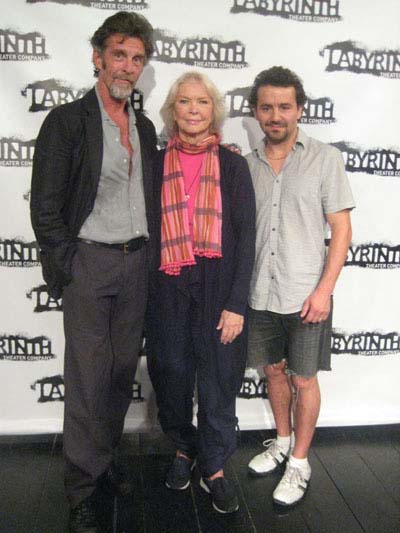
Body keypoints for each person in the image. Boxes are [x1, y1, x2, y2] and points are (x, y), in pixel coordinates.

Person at [30, 12, 157, 533]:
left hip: (139, 262)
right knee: (86, 378)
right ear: (98, 56)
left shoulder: (144, 127)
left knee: (120, 374)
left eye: (137, 58)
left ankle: (104, 462)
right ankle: (82, 487)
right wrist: (71, 261)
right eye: (119, 54)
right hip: (90, 262)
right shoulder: (66, 122)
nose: (127, 65)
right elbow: (46, 208)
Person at [146, 71, 255, 514]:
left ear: (215, 111)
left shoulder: (233, 165)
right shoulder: (154, 164)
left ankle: (213, 465)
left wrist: (236, 304)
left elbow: (247, 238)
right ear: (173, 111)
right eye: (185, 102)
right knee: (170, 373)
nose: (193, 110)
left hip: (217, 285)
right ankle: (183, 446)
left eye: (202, 102)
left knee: (218, 380)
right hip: (168, 285)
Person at [246, 66, 354, 507]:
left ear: (300, 110)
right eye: (267, 107)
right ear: (256, 111)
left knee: (304, 378)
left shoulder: (325, 159)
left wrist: (324, 290)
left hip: (307, 293)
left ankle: (301, 462)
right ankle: (283, 441)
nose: (276, 115)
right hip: (259, 293)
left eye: (284, 107)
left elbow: (342, 230)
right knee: (273, 371)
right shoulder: (244, 163)